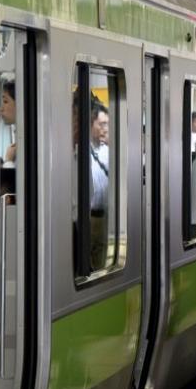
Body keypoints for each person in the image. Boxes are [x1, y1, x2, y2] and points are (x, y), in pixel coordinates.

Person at [89, 100, 110, 270]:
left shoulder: (109, 151)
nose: (105, 128)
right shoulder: (81, 152)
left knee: (100, 264)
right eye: (102, 124)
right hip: (86, 217)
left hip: (103, 217)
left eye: (108, 124)